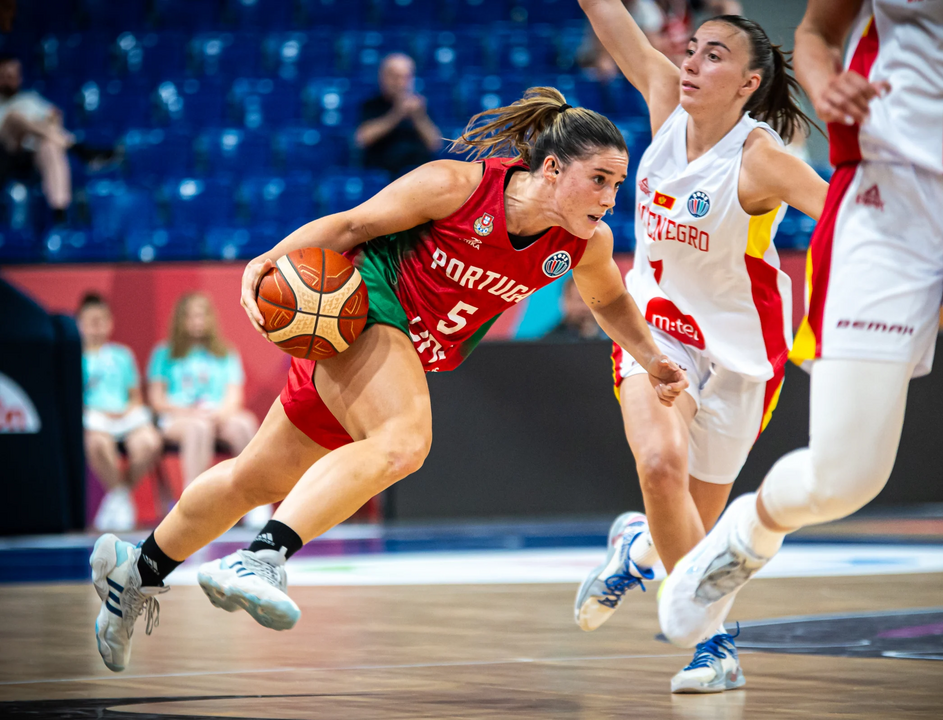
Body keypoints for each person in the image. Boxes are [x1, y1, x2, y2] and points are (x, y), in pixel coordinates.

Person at [89, 87, 689, 673]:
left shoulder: (584, 243)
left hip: (402, 354)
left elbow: (609, 301)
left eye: (618, 183)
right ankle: (260, 559)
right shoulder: (457, 186)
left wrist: (653, 355)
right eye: (601, 180)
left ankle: (134, 571)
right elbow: (352, 227)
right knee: (405, 441)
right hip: (364, 311)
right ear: (553, 168)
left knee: (254, 477)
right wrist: (268, 260)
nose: (612, 198)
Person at [659, 3, 943, 720]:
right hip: (894, 197)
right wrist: (824, 85)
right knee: (844, 477)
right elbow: (817, 34)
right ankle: (747, 530)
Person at [572, 0, 828, 694]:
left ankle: (635, 548)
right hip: (656, 333)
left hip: (743, 358)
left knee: (691, 535)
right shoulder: (663, 101)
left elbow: (844, 217)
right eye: (693, 49)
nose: (692, 62)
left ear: (749, 83)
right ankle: (715, 645)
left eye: (715, 55)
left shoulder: (761, 159)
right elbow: (607, 15)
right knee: (660, 465)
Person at [146, 293, 259, 492]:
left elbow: (234, 396)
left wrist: (220, 414)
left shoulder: (226, 352)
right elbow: (157, 399)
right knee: (198, 428)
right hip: (178, 417)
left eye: (201, 316)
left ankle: (254, 493)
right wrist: (189, 412)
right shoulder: (164, 353)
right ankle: (193, 496)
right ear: (180, 320)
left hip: (216, 416)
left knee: (245, 424)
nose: (197, 322)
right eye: (191, 316)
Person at [77, 293, 163, 532]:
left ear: (110, 322)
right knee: (96, 444)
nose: (97, 326)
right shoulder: (74, 356)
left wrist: (126, 411)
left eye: (102, 320)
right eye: (91, 320)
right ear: (79, 323)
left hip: (125, 417)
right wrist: (101, 412)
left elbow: (135, 397)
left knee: (150, 442)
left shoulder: (122, 355)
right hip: (94, 419)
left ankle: (118, 495)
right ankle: (121, 496)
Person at [0, 55, 116, 224]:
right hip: (10, 150)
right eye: (7, 76)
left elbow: (55, 115)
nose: (12, 80)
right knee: (15, 118)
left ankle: (59, 212)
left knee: (51, 146)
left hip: (34, 152)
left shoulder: (29, 99)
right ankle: (81, 150)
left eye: (15, 75)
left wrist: (46, 125)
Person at [355, 53, 443, 179]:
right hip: (383, 177)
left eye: (406, 77)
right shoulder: (371, 104)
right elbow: (362, 138)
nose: (400, 83)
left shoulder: (421, 107)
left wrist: (419, 117)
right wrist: (396, 114)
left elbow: (435, 144)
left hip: (418, 177)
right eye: (395, 77)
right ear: (383, 77)